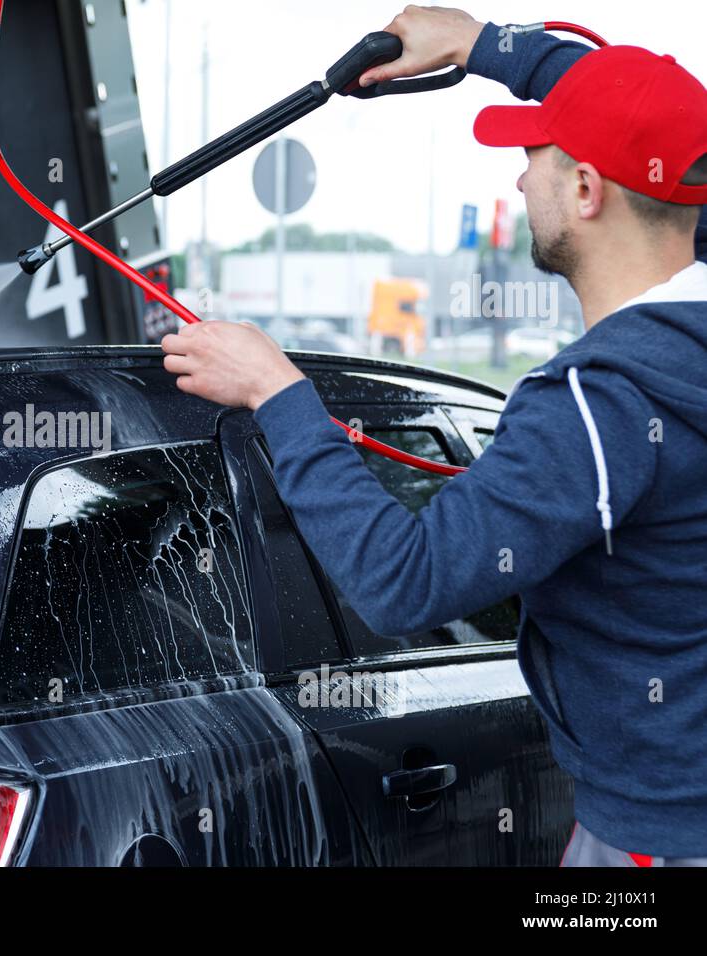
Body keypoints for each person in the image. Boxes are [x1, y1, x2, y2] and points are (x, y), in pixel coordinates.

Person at [161, 6, 707, 866]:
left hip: (654, 843)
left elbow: (407, 582)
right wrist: (480, 46)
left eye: (534, 157)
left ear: (587, 191)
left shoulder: (597, 405)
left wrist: (281, 395)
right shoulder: (684, 328)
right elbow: (673, 151)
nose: (520, 181)